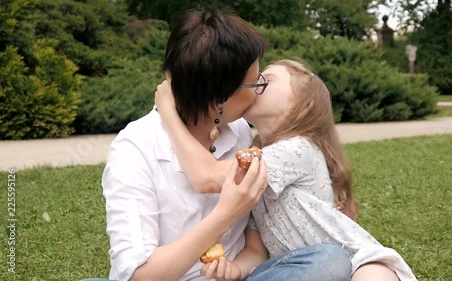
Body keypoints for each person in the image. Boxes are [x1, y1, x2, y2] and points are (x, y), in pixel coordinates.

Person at [90, 8, 352, 281]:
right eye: (253, 85)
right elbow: (138, 276)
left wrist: (235, 269)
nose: (258, 92)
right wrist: (225, 215)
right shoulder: (135, 149)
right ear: (220, 99)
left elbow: (256, 247)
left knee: (329, 260)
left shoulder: (240, 132)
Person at [155, 59, 418, 281]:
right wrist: (235, 270)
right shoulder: (257, 159)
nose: (253, 85)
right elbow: (256, 250)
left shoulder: (297, 149)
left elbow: (209, 179)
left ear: (300, 105)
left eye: (265, 80)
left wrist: (169, 113)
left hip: (354, 263)